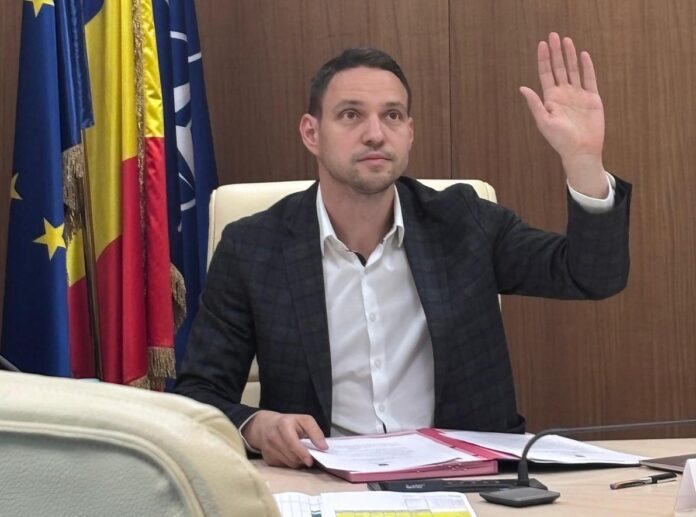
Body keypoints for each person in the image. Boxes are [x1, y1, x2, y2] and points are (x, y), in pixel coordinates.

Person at [175, 33, 631, 469]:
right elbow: (199, 394)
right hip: (325, 481)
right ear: (311, 133)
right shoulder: (254, 248)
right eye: (351, 115)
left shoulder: (464, 222)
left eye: (392, 115)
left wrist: (583, 161)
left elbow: (591, 275)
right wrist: (256, 426)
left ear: (409, 132)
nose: (375, 134)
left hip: (466, 480)